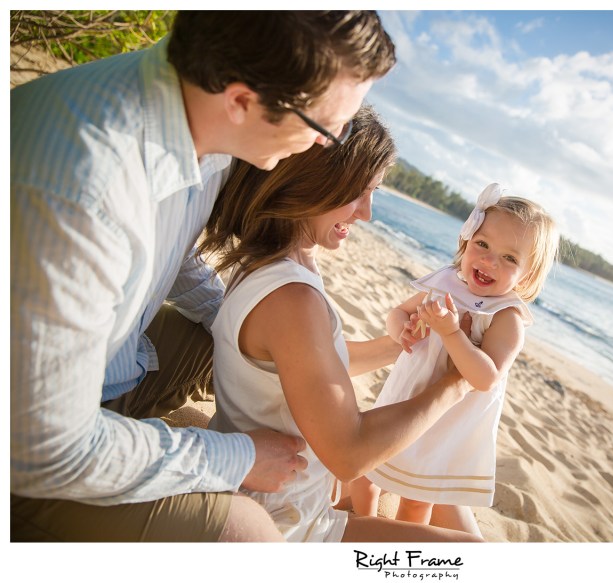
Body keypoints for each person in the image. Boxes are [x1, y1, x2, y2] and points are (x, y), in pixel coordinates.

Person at [10, 11, 396, 542]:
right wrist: (237, 456)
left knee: (214, 337)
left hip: (104, 371)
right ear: (241, 101)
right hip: (27, 460)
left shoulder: (201, 124)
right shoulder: (84, 191)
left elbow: (167, 252)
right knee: (248, 534)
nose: (329, 150)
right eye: (327, 130)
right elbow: (45, 450)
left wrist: (248, 327)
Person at [200, 105, 481, 542]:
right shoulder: (291, 298)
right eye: (359, 192)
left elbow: (311, 366)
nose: (367, 213)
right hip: (285, 522)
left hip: (289, 499)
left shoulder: (277, 257)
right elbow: (349, 454)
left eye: (374, 192)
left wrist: (396, 347)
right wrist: (453, 385)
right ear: (315, 182)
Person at [350, 183, 560, 526]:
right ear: (465, 242)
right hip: (403, 397)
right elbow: (397, 313)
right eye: (482, 244)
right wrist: (400, 328)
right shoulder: (445, 282)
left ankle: (399, 546)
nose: (490, 260)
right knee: (364, 475)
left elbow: (485, 377)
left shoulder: (506, 318)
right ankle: (365, 526)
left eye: (509, 258)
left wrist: (451, 333)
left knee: (416, 501)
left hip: (444, 420)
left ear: (528, 274)